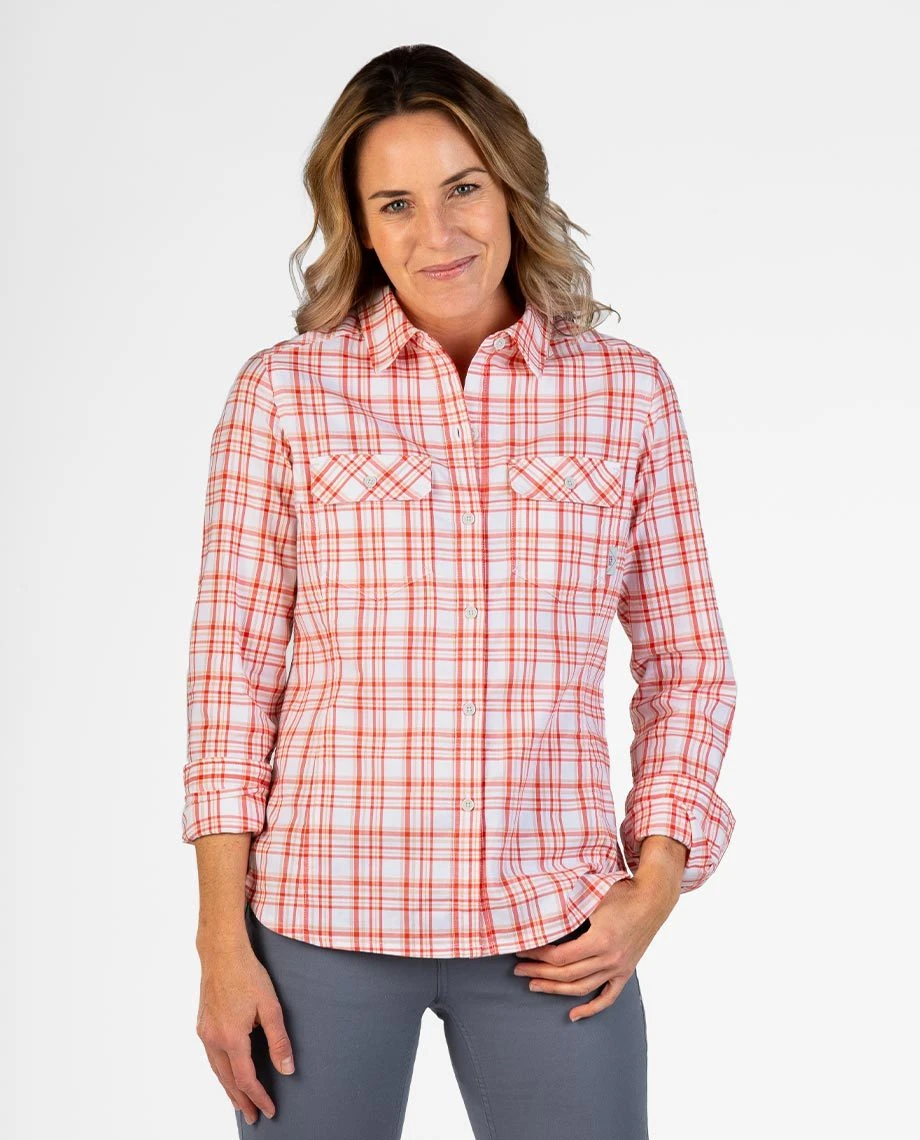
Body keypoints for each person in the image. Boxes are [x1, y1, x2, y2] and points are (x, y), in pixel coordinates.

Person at [181, 43, 737, 1140]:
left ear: (512, 187)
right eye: (395, 204)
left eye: (462, 188)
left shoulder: (624, 393)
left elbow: (687, 661)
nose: (436, 234)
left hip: (555, 928)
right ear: (358, 225)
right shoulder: (283, 395)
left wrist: (654, 886)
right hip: (320, 920)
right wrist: (218, 945)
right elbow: (229, 679)